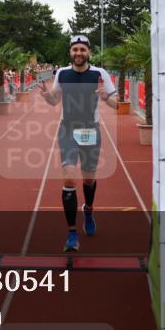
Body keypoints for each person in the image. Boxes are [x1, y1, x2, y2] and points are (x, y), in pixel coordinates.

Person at [38, 34, 119, 252]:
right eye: (75, 49)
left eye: (83, 49)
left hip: (90, 130)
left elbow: (118, 105)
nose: (79, 53)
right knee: (69, 178)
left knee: (89, 179)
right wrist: (47, 96)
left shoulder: (99, 74)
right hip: (68, 130)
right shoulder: (62, 73)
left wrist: (106, 97)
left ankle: (89, 210)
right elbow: (55, 100)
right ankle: (72, 233)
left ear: (88, 52)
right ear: (70, 52)